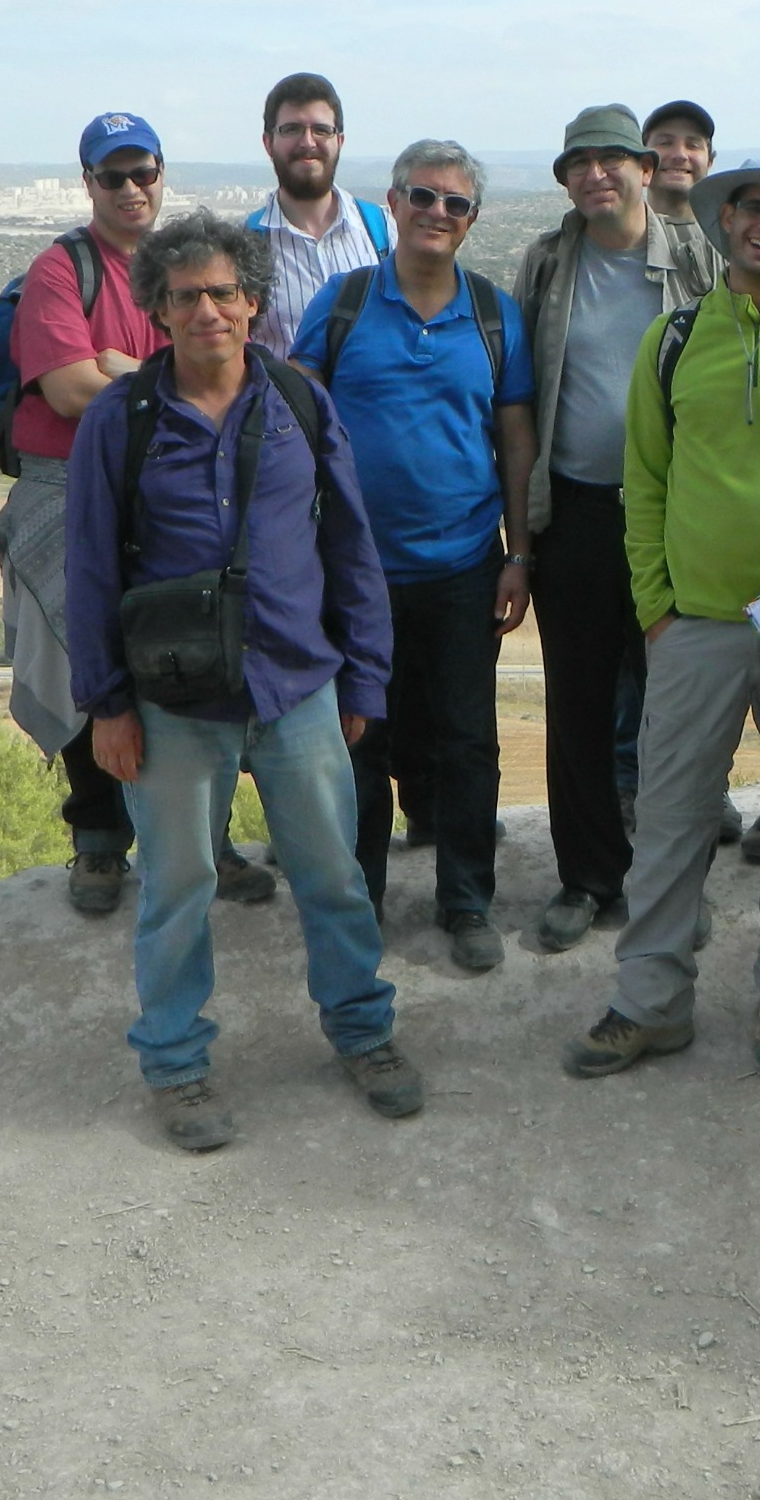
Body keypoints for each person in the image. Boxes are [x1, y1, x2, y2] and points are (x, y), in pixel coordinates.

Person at [64, 212, 419, 1151]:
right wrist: (106, 705)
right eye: (187, 296)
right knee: (176, 888)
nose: (208, 312)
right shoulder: (121, 420)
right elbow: (90, 567)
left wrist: (365, 681)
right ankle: (176, 1063)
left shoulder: (301, 401)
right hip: (174, 702)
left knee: (333, 875)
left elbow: (350, 546)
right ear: (159, 309)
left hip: (296, 683)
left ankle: (363, 1030)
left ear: (254, 302)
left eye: (224, 292)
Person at [561, 161, 760, 1084]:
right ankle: (650, 1001)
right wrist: (656, 609)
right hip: (694, 626)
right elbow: (644, 481)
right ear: (726, 221)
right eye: (753, 209)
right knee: (671, 820)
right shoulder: (672, 339)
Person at [0, 112, 276, 919]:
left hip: (172, 485)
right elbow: (68, 390)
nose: (129, 189)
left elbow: (212, 370)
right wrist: (153, 374)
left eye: (142, 172)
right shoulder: (63, 269)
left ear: (161, 174)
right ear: (88, 183)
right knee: (88, 658)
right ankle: (99, 840)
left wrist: (123, 368)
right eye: (111, 176)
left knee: (195, 652)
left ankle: (206, 839)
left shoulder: (182, 265)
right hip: (74, 485)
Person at [291, 140, 537, 970]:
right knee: (359, 739)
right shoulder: (345, 303)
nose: (437, 212)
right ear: (392, 204)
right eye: (423, 196)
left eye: (455, 204)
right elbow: (295, 416)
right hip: (355, 571)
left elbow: (515, 440)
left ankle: (466, 902)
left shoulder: (495, 315)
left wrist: (519, 554)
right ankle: (358, 903)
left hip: (465, 563)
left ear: (472, 221)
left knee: (466, 739)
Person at [514, 105, 723, 953]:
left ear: (645, 168)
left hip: (674, 516)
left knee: (678, 713)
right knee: (579, 705)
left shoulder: (697, 260)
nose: (596, 174)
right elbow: (519, 398)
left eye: (612, 159)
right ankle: (588, 877)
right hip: (576, 511)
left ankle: (672, 882)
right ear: (566, 180)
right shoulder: (546, 262)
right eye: (580, 163)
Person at [244, 71, 392, 355]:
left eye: (321, 130)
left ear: (340, 141)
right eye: (292, 129)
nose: (308, 142)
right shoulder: (244, 245)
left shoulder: (383, 231)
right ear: (268, 143)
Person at [641, 99, 715, 222]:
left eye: (693, 145)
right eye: (665, 143)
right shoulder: (614, 231)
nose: (680, 155)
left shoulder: (731, 232)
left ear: (710, 161)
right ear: (642, 160)